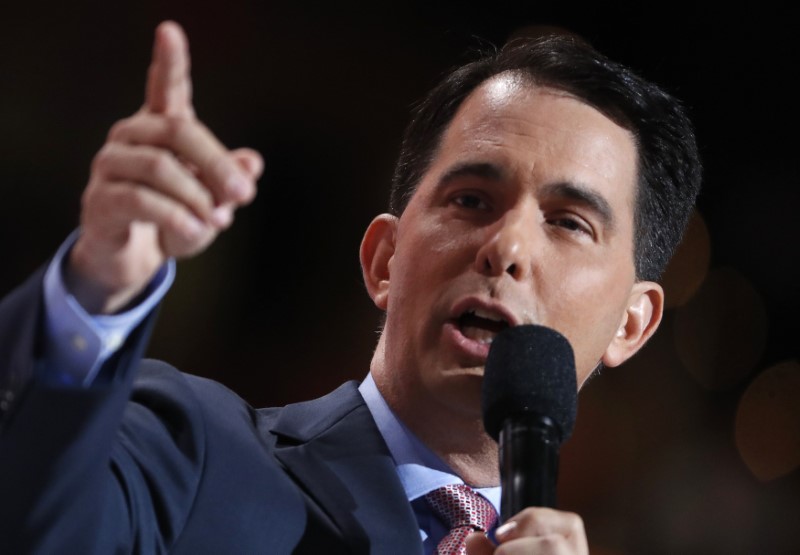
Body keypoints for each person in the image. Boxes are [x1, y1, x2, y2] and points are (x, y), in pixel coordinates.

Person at [0, 20, 701, 554]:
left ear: (632, 325)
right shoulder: (196, 454)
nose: (508, 247)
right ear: (384, 260)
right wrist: (94, 290)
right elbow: (36, 519)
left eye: (568, 222)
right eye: (471, 201)